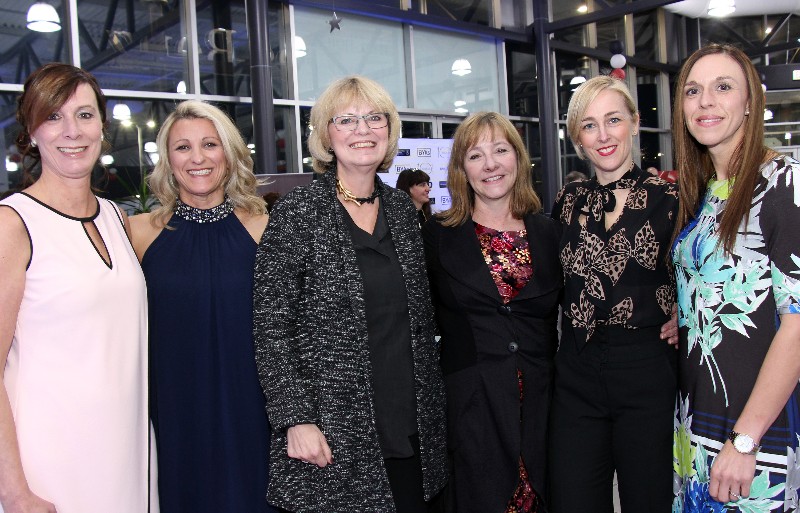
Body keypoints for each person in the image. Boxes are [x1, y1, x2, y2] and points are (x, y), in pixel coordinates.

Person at [252, 75, 447, 513]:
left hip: (410, 424)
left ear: (389, 129)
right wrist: (295, 419)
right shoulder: (297, 213)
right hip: (331, 432)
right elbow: (271, 327)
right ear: (326, 134)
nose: (363, 130)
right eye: (347, 119)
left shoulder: (401, 210)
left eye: (374, 118)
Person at [0, 63, 149, 513]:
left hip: (129, 455)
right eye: (53, 117)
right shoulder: (13, 223)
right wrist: (15, 492)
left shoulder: (118, 219)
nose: (72, 131)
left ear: (102, 126)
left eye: (84, 115)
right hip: (50, 469)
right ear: (31, 131)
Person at [128, 100, 276, 513]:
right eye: (182, 147)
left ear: (228, 155)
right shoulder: (137, 233)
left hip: (251, 407)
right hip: (172, 409)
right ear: (167, 159)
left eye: (210, 144)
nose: (197, 158)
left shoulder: (265, 230)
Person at [670, 44, 800, 512]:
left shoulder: (784, 183)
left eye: (723, 87)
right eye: (693, 91)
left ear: (750, 102)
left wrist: (745, 441)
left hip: (754, 436)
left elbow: (798, 325)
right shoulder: (706, 192)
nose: (706, 102)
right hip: (698, 426)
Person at [548, 75, 679, 513]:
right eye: (589, 125)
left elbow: (701, 273)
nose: (603, 136)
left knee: (647, 499)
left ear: (635, 124)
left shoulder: (671, 198)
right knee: (573, 498)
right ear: (577, 138)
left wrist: (687, 315)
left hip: (645, 364)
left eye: (613, 120)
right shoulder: (567, 201)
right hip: (577, 366)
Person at [422, 112, 562, 513]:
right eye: (476, 155)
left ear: (517, 158)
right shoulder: (437, 236)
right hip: (472, 413)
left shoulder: (551, 233)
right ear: (462, 169)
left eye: (500, 150)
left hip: (543, 408)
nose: (490, 165)